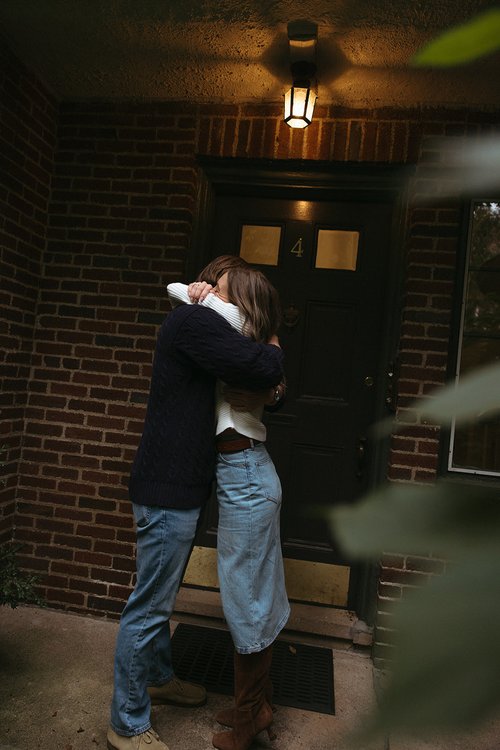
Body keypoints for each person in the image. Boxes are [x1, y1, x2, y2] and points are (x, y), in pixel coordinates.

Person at [107, 258, 284, 750]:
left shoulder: (207, 325)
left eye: (226, 293)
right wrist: (272, 344)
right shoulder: (194, 317)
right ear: (203, 287)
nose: (223, 299)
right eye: (220, 288)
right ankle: (127, 725)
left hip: (181, 486)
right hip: (167, 487)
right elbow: (261, 363)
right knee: (149, 605)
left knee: (158, 593)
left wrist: (273, 382)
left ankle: (159, 677)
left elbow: (262, 378)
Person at [168, 267, 290, 750]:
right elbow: (191, 298)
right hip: (244, 476)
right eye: (212, 287)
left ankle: (247, 720)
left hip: (247, 478)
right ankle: (258, 706)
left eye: (220, 290)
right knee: (255, 597)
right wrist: (200, 296)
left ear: (241, 305)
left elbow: (189, 298)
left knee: (246, 603)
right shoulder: (240, 341)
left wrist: (197, 298)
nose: (210, 293)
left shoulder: (249, 340)